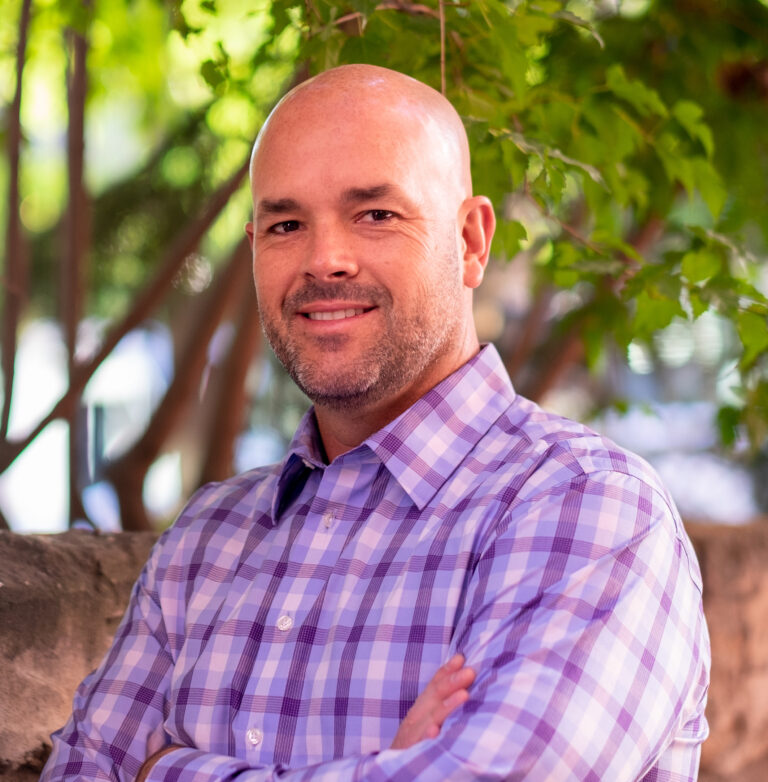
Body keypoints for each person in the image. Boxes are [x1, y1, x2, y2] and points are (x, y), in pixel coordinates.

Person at [41, 64, 710, 782]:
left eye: (376, 214)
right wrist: (386, 768)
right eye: (286, 224)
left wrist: (164, 770)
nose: (325, 259)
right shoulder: (207, 543)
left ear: (472, 242)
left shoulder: (587, 510)